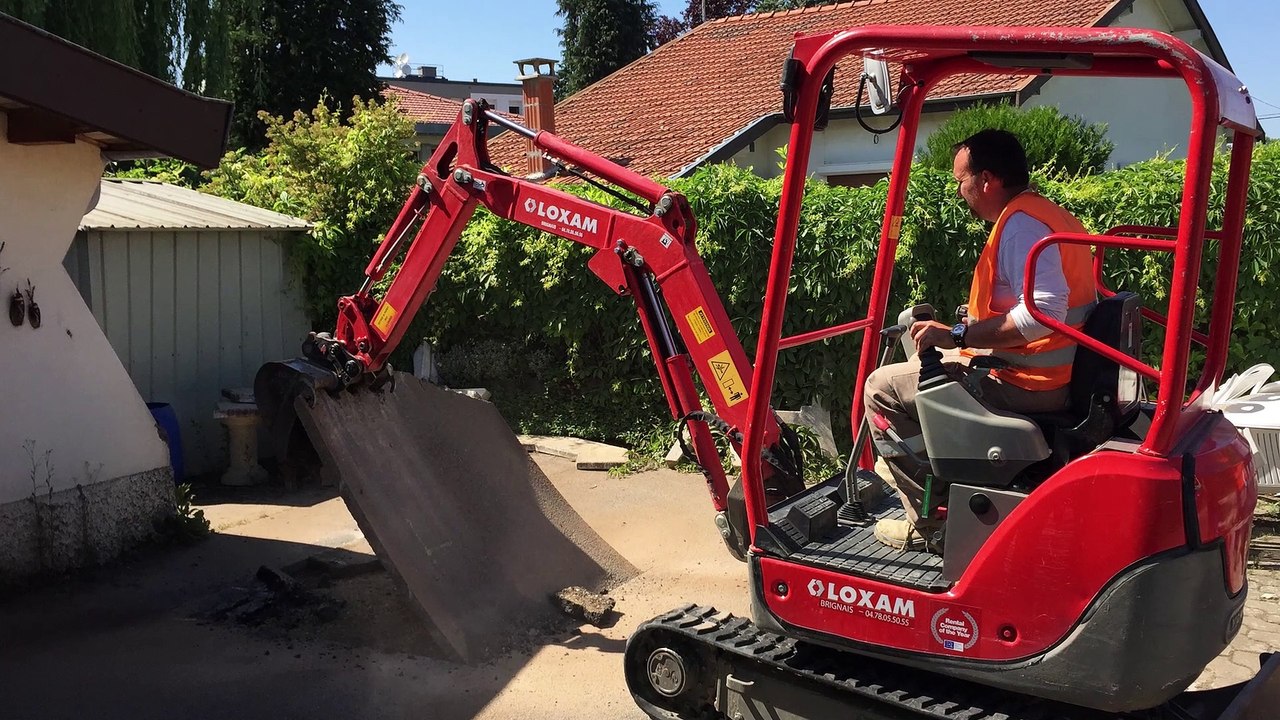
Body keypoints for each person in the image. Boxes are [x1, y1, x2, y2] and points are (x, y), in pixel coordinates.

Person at [865, 129, 1097, 552]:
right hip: (1055, 371)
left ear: (986, 180)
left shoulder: (1019, 227)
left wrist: (957, 334)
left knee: (880, 389)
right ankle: (916, 469)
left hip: (1027, 383)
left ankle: (931, 523)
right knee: (918, 366)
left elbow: (1043, 313)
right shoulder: (1048, 214)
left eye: (960, 181)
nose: (959, 191)